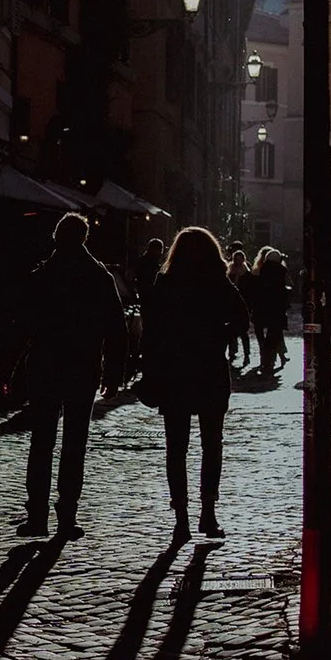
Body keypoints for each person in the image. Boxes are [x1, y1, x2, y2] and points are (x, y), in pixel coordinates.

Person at [140, 227, 251, 542]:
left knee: (178, 448)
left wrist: (153, 364)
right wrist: (218, 335)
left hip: (176, 372)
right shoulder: (217, 282)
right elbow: (243, 320)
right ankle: (207, 513)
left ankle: (182, 519)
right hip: (209, 371)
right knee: (210, 445)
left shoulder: (166, 283)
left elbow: (151, 330)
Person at [16, 212, 124, 538]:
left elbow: (23, 326)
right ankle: (66, 516)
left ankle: (37, 516)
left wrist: (11, 365)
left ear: (57, 238)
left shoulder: (43, 276)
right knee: (74, 443)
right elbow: (116, 329)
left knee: (42, 443)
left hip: (46, 367)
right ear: (84, 239)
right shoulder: (99, 276)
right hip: (83, 367)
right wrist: (115, 372)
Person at [246, 247, 291, 375]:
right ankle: (270, 362)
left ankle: (266, 362)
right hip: (276, 310)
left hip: (262, 308)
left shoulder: (261, 271)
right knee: (273, 336)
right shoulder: (281, 271)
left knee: (264, 337)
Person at [224, 244, 255, 367]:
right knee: (231, 330)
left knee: (243, 331)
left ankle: (247, 354)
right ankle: (232, 351)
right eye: (235, 259)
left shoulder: (247, 273)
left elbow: (250, 291)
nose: (237, 261)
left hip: (244, 304)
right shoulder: (229, 271)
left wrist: (249, 306)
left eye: (239, 259)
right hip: (231, 305)